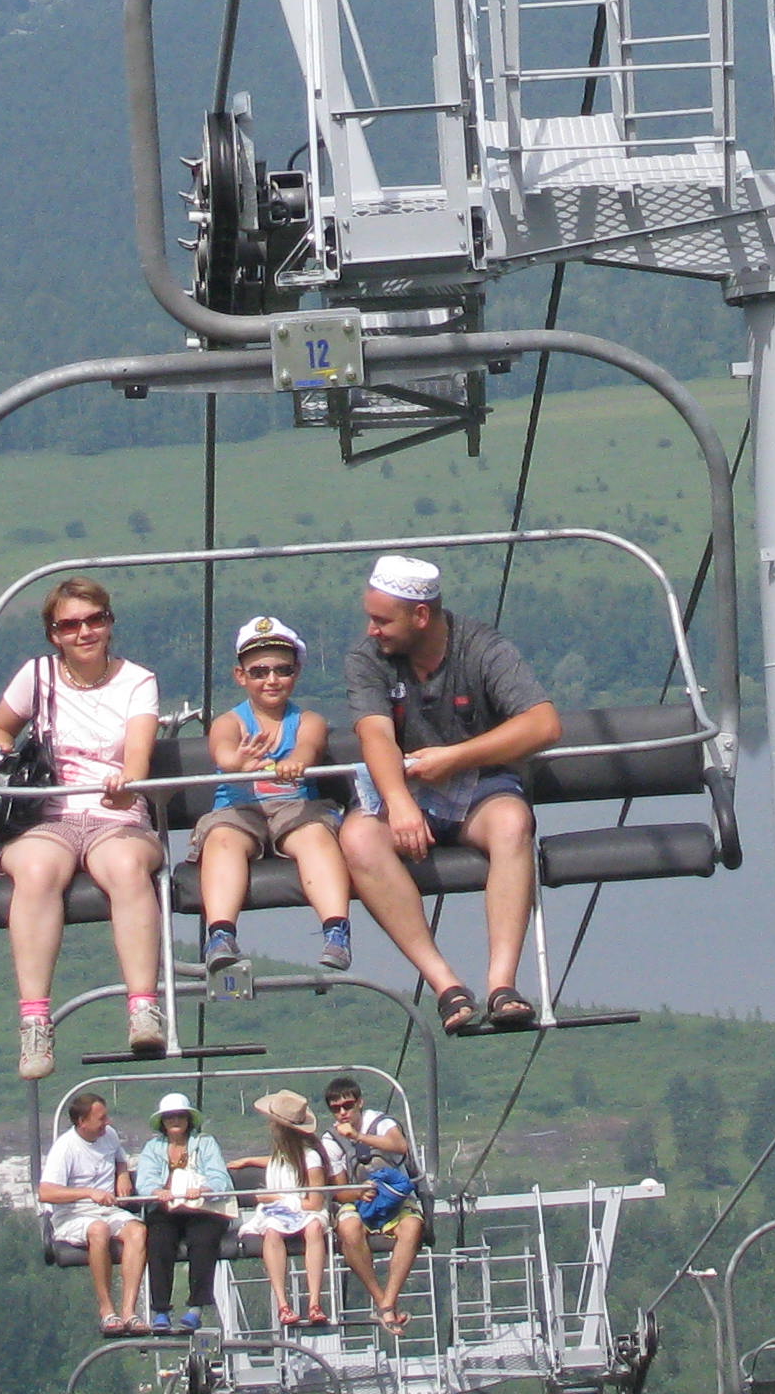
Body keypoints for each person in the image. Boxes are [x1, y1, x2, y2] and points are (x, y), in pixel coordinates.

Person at [339, 555, 562, 1036]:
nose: (372, 630)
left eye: (382, 620)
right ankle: (445, 984)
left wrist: (456, 757)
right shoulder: (367, 658)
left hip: (478, 784)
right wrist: (398, 801)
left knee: (513, 824)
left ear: (420, 615)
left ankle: (503, 985)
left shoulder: (482, 648)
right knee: (358, 840)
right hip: (406, 785)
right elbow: (375, 734)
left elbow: (543, 724)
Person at [0, 575, 166, 1079]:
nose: (84, 632)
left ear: (109, 623)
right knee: (37, 871)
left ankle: (143, 1006)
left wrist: (127, 784)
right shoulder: (37, 676)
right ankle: (36, 1022)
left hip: (115, 814)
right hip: (49, 813)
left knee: (128, 866)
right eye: (71, 625)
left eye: (95, 620)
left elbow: (139, 755)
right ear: (54, 634)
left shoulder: (137, 681)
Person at [194, 616, 354, 975]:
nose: (271, 680)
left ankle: (336, 929)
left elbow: (308, 747)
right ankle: (220, 933)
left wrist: (295, 762)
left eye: (281, 670)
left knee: (314, 835)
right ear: (241, 676)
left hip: (293, 805)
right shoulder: (230, 722)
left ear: (295, 673)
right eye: (259, 671)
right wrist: (238, 762)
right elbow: (222, 752)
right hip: (239, 807)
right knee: (222, 840)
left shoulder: (307, 720)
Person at [321, 1072, 425, 1333]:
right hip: (360, 1202)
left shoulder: (380, 1122)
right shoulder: (331, 1140)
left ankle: (389, 1300)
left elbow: (399, 1146)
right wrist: (357, 1193)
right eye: (336, 1109)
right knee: (348, 1229)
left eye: (347, 1106)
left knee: (412, 1227)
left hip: (394, 1197)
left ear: (360, 1103)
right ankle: (382, 1301)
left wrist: (358, 1137)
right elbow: (338, 1189)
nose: (343, 1113)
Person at [39, 1088, 150, 1334]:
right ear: (82, 1122)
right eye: (101, 1119)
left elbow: (120, 1159)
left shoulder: (108, 1135)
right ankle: (106, 1309)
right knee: (98, 1230)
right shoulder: (66, 1148)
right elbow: (46, 1192)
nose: (106, 1123)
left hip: (108, 1209)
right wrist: (89, 1193)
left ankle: (129, 1310)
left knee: (138, 1231)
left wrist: (122, 1175)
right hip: (75, 1214)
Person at [236, 1088, 343, 1333]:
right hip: (280, 1212)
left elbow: (314, 1202)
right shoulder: (284, 1154)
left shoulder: (311, 1159)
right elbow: (280, 1161)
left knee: (314, 1228)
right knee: (272, 1231)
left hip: (303, 1209)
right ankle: (283, 1304)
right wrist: (250, 1161)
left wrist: (278, 1197)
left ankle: (314, 1301)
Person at [141, 1091, 236, 1333]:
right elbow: (144, 1181)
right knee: (159, 1239)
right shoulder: (153, 1148)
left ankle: (197, 1307)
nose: (175, 1121)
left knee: (203, 1239)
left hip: (202, 1208)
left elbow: (219, 1177)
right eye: (169, 1117)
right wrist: (157, 1191)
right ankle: (161, 1309)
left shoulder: (205, 1143)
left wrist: (205, 1188)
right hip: (168, 1209)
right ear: (162, 1122)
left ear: (188, 1119)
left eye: (179, 1116)